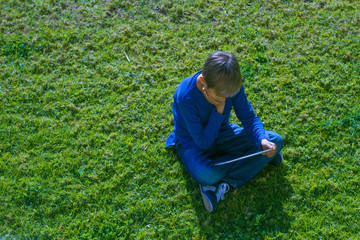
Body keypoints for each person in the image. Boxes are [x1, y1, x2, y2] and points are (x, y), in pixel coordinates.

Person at [165, 51, 284, 212]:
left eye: (229, 96)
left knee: (275, 140)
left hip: (223, 132)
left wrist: (262, 140)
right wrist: (219, 110)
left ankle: (225, 181)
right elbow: (204, 142)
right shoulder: (185, 96)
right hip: (193, 144)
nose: (227, 99)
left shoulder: (230, 85)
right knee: (207, 174)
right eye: (222, 97)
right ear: (203, 81)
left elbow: (248, 116)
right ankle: (252, 163)